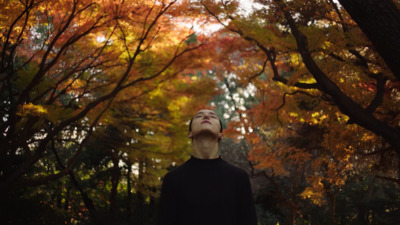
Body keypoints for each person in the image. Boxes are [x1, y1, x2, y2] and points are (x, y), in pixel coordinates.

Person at [157, 109, 258, 225]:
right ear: (189, 133)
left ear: (221, 134)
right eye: (199, 116)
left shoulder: (239, 178)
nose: (206, 117)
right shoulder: (173, 180)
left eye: (213, 116)